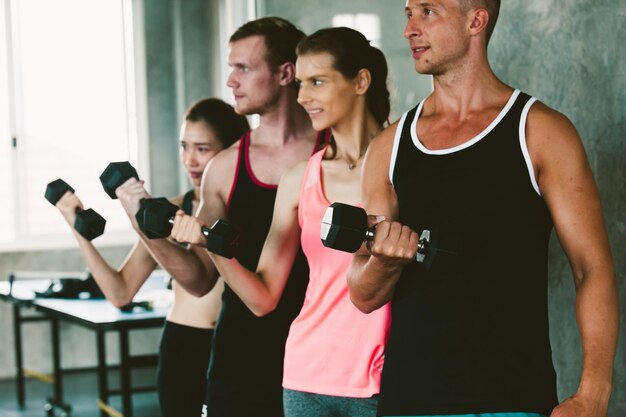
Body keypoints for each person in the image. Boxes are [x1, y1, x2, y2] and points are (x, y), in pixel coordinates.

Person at [347, 1, 620, 417]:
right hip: (410, 401)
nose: (409, 30)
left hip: (513, 401)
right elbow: (362, 295)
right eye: (407, 14)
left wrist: (593, 395)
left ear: (476, 20)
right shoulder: (389, 146)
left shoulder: (540, 132)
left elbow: (592, 268)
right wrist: (384, 264)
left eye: (428, 11)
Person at [115, 17, 329, 417]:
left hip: (321, 358)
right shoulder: (225, 166)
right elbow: (199, 280)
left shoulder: (335, 151)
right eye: (230, 68)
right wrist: (144, 227)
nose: (230, 80)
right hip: (239, 361)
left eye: (243, 68)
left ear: (286, 73)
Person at [196, 27, 391, 417]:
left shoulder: (403, 164)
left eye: (317, 82)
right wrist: (210, 245)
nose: (303, 97)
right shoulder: (299, 178)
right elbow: (263, 296)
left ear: (361, 82)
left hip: (382, 379)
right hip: (306, 375)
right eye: (300, 84)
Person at [53, 98, 249, 417]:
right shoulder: (168, 210)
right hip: (182, 349)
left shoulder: (248, 211)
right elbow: (120, 292)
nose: (190, 160)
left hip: (234, 352)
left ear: (230, 150)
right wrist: (77, 229)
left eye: (202, 148)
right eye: (184, 147)